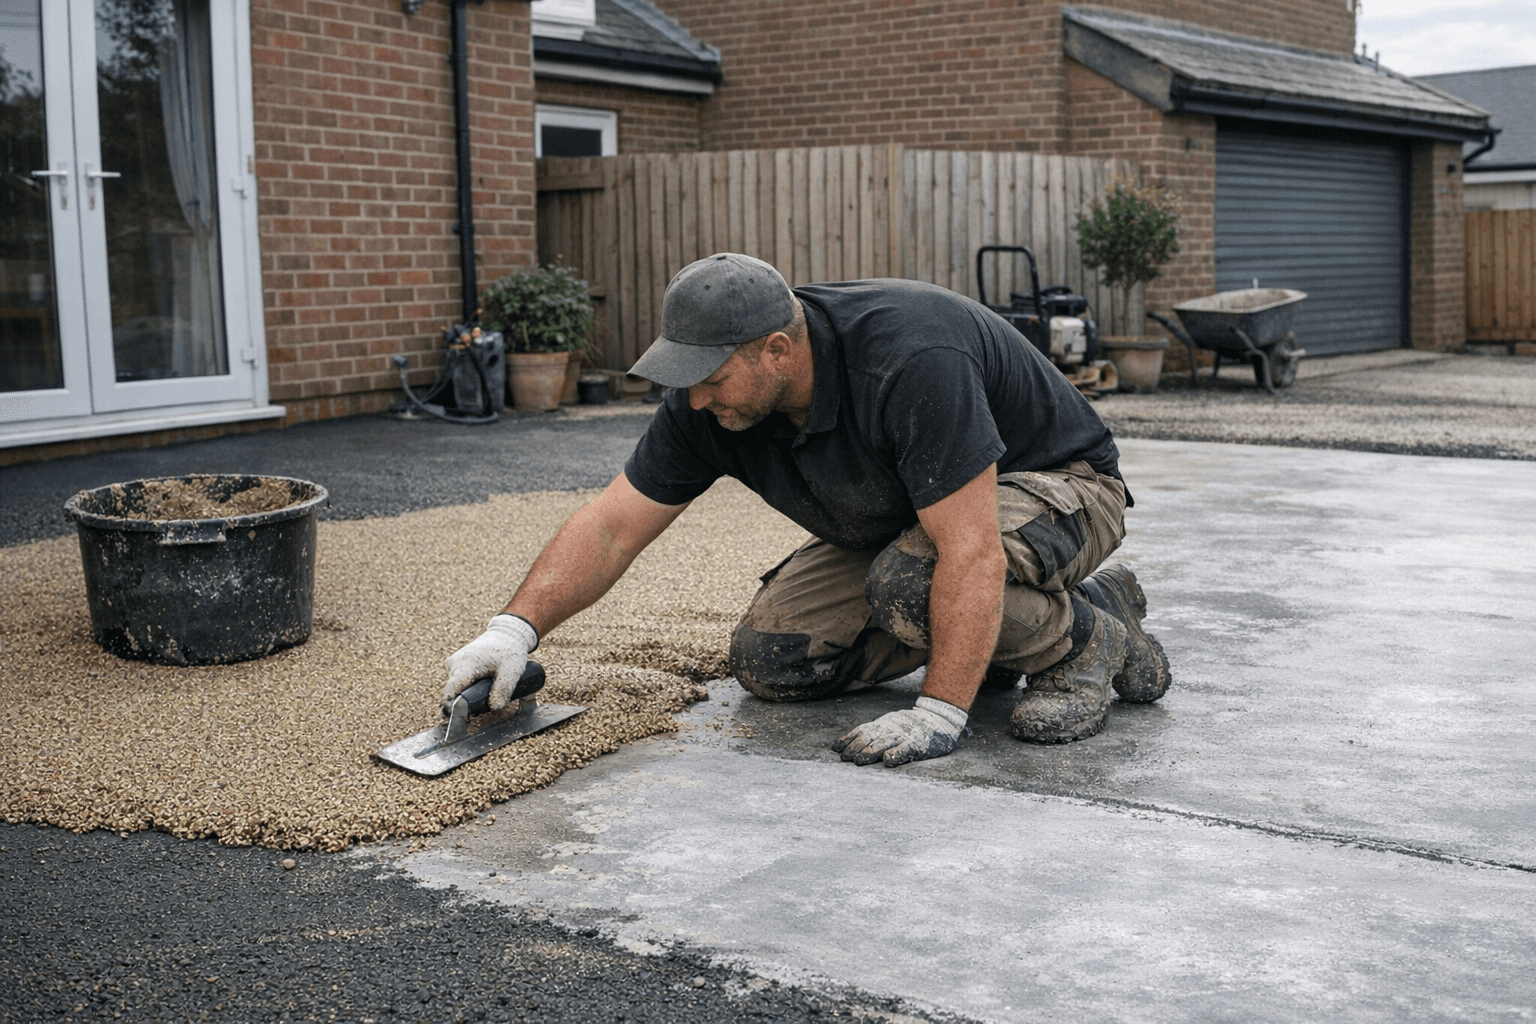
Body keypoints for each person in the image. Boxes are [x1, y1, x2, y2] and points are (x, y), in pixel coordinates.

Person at [444, 253, 1171, 767]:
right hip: (915, 526)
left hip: (1055, 487)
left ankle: (1087, 640)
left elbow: (971, 550)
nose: (695, 399)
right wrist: (512, 632)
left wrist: (940, 713)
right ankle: (1007, 627)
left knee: (913, 582)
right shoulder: (707, 403)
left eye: (712, 378)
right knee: (774, 661)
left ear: (779, 350)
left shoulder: (910, 357)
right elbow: (610, 527)